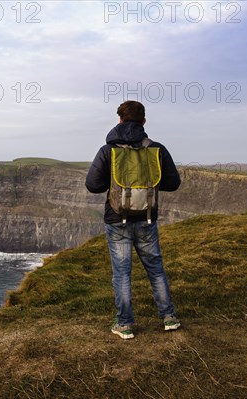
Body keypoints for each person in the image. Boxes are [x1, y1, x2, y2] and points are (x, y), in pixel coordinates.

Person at [85, 100, 181, 340]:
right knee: (155, 269)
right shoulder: (156, 149)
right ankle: (169, 317)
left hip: (117, 220)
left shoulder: (108, 151)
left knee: (122, 273)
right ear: (143, 121)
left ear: (119, 120)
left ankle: (125, 324)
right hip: (148, 218)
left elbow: (92, 185)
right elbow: (173, 183)